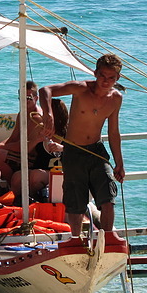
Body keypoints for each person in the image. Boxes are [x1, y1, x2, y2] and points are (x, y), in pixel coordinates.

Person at [39, 53, 125, 243]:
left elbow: (113, 132)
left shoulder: (116, 98)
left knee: (108, 198)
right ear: (95, 73)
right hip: (73, 151)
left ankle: (107, 239)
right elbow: (45, 90)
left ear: (117, 78)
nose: (106, 81)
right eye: (102, 75)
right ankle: (75, 240)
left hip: (97, 151)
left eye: (111, 77)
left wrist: (119, 163)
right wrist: (48, 114)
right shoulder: (81, 89)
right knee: (75, 201)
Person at [8, 98, 68, 204]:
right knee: (17, 177)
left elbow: (79, 152)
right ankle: (23, 204)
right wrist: (37, 140)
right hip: (39, 167)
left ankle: (35, 203)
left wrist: (62, 148)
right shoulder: (40, 129)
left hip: (59, 172)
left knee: (36, 176)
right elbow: (26, 150)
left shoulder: (69, 132)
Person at [0, 81, 49, 186]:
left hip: (32, 157)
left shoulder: (37, 118)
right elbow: (13, 138)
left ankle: (12, 187)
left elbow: (27, 147)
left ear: (36, 99)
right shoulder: (23, 113)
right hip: (21, 151)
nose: (24, 101)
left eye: (28, 98)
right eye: (22, 98)